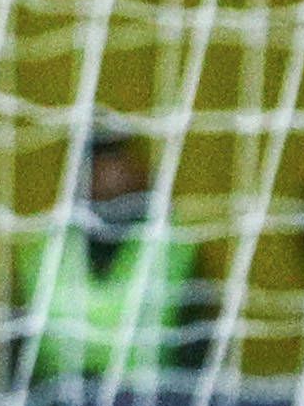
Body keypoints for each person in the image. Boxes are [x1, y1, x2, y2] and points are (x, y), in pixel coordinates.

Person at [21, 125, 204, 386]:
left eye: (124, 175)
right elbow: (15, 357)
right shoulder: (39, 250)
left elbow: (199, 350)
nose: (115, 183)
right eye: (103, 175)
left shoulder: (175, 247)